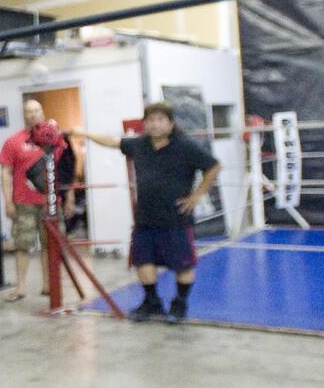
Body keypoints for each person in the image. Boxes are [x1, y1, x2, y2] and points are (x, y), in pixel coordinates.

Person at [75, 101, 221, 322]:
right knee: (143, 261)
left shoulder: (185, 146)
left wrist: (196, 196)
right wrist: (83, 133)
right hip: (145, 218)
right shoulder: (140, 145)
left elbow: (213, 166)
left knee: (183, 264)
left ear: (171, 124)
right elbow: (113, 141)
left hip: (176, 219)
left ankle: (179, 305)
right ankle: (151, 303)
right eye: (151, 120)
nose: (155, 125)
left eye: (160, 120)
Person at [0, 99, 72, 301]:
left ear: (42, 112)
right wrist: (8, 200)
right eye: (28, 111)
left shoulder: (55, 140)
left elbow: (67, 169)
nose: (33, 114)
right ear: (24, 115)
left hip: (51, 202)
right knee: (23, 244)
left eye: (36, 110)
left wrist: (69, 196)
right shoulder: (14, 141)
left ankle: (49, 285)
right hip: (24, 203)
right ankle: (20, 288)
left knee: (50, 245)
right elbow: (5, 172)